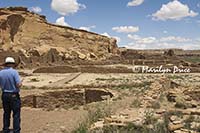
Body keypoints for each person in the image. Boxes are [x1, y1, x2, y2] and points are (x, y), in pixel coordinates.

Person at [0, 57, 22, 133]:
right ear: (12, 64)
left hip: (4, 94)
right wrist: (21, 83)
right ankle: (16, 130)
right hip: (13, 95)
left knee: (6, 113)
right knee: (16, 113)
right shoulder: (14, 72)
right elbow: (18, 84)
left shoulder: (1, 72)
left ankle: (6, 129)